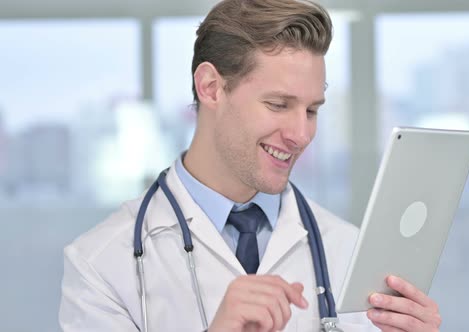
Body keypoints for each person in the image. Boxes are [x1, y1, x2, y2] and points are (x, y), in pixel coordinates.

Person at [59, 0, 442, 331]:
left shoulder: (349, 254)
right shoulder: (101, 266)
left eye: (311, 110)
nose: (301, 134)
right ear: (211, 88)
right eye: (278, 104)